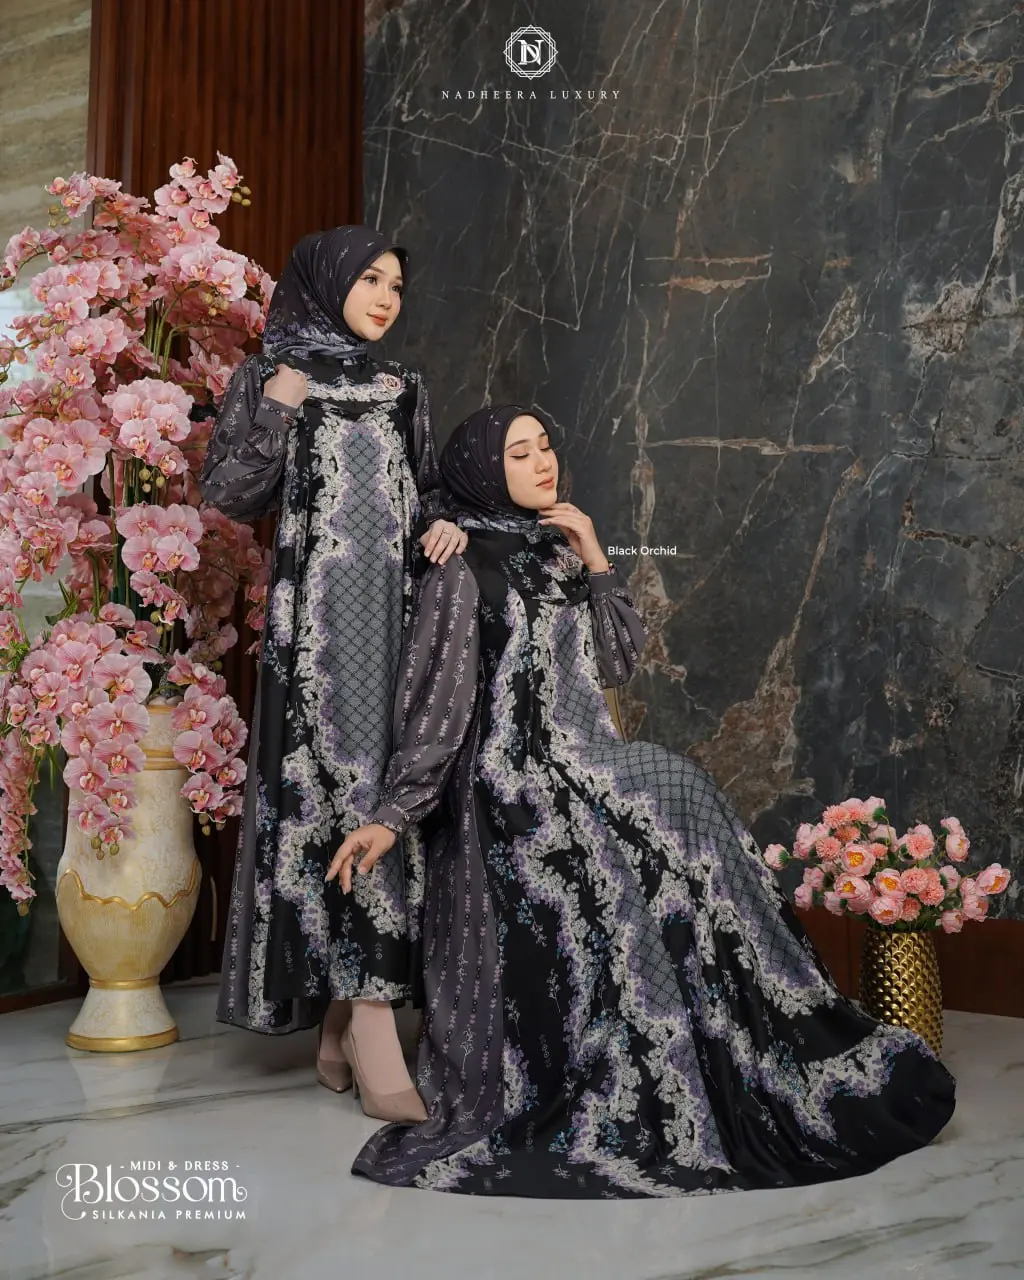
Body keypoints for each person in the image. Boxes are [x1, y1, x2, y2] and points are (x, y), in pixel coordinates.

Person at [328, 404, 956, 1196]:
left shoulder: (556, 548)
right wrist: (395, 813)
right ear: (486, 471)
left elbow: (617, 661)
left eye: (546, 445)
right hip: (510, 778)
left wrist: (595, 554)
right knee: (631, 822)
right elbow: (437, 705)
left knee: (681, 788)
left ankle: (751, 1033)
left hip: (584, 755)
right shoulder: (456, 565)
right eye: (519, 454)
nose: (543, 462)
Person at [201, 226, 466, 1123]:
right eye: (370, 280)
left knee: (391, 798)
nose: (387, 297)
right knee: (335, 801)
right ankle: (370, 1019)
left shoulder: (403, 387)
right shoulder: (267, 377)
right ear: (325, 284)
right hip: (314, 632)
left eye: (397, 284)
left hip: (398, 623)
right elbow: (228, 495)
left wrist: (447, 523)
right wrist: (278, 406)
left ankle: (351, 1017)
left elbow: (426, 490)